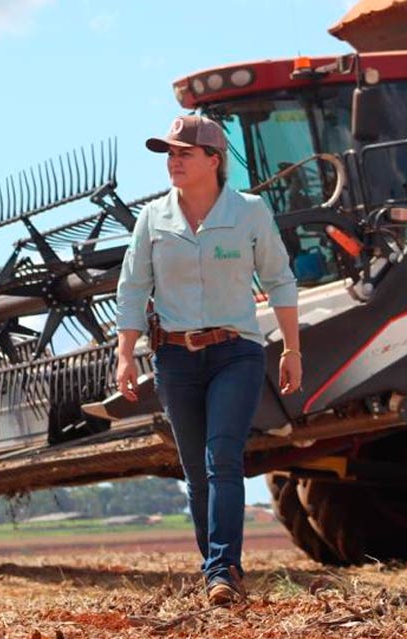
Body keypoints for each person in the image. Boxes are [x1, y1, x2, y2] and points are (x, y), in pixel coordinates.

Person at [114, 114, 302, 606]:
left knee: (223, 459)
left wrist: (291, 348)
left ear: (213, 161)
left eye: (184, 153)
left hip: (235, 352)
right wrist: (125, 355)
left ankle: (223, 570)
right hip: (174, 359)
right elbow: (133, 288)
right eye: (169, 154)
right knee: (197, 471)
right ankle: (215, 570)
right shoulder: (153, 218)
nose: (173, 161)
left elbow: (280, 279)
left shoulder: (250, 212)